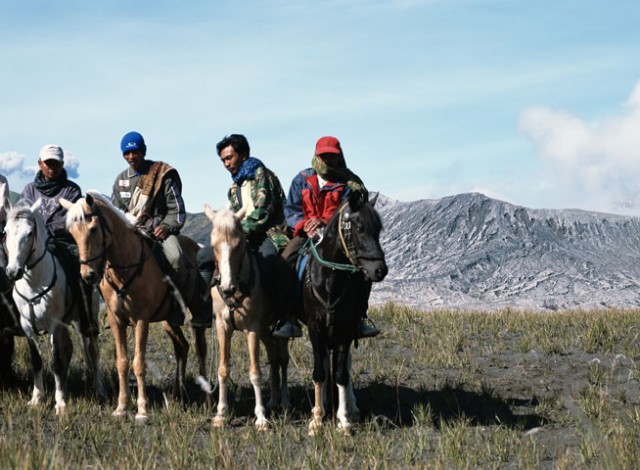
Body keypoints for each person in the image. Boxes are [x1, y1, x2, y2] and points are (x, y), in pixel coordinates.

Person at [272, 135, 380, 339]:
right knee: (284, 262)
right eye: (324, 156)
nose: (328, 160)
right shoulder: (301, 179)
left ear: (339, 157)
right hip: (305, 234)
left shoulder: (351, 183)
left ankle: (360, 317)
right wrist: (304, 225)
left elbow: (352, 212)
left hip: (338, 237)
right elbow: (292, 210)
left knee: (362, 267)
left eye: (332, 156)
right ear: (317, 156)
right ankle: (287, 317)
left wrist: (325, 223)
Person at [112, 131, 209, 326]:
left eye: (135, 152)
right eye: (127, 153)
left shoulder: (163, 174)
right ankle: (114, 310)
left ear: (144, 151)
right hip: (131, 232)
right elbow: (116, 212)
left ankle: (176, 307)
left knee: (175, 260)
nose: (131, 157)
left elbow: (177, 210)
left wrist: (165, 226)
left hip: (159, 231)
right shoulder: (121, 180)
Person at [197, 134, 290, 314]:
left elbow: (263, 212)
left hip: (269, 233)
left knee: (268, 263)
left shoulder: (262, 175)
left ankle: (282, 315)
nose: (226, 164)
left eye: (229, 158)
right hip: (242, 236)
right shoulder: (234, 188)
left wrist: (238, 230)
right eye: (223, 160)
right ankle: (204, 307)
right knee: (204, 256)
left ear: (244, 154)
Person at [21, 144, 99, 336]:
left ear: (62, 164)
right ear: (40, 164)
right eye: (48, 163)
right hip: (34, 242)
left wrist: (45, 230)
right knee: (12, 269)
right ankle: (15, 318)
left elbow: (71, 220)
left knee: (79, 274)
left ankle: (86, 317)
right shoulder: (29, 190)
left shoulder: (71, 190)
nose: (51, 167)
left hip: (62, 242)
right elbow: (22, 216)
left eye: (55, 163)